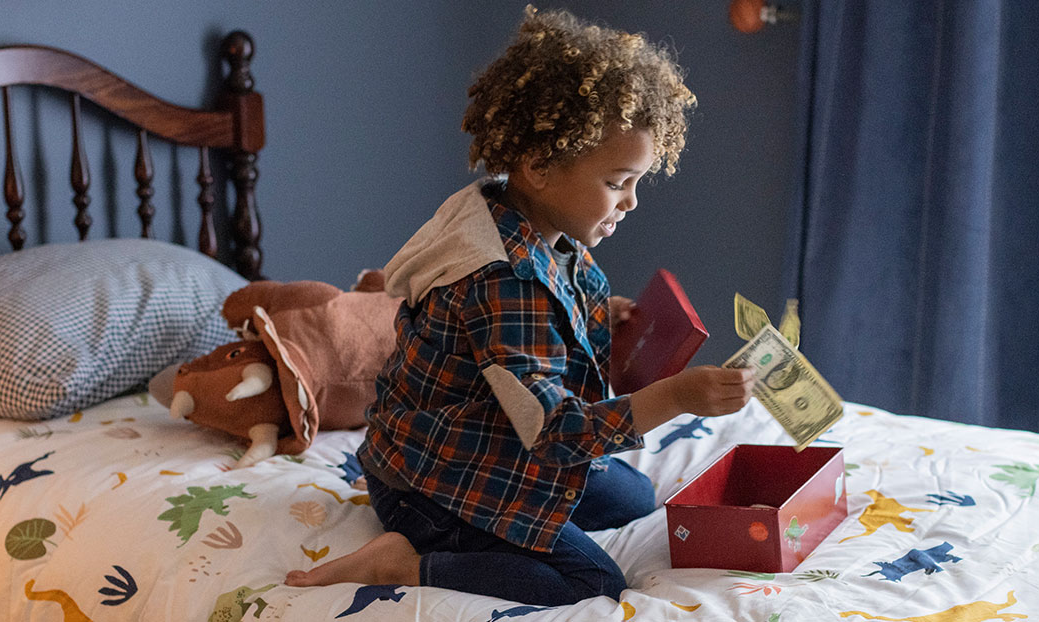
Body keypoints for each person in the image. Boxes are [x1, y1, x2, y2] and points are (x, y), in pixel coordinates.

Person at [284, 6, 754, 606]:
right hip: (430, 483)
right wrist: (675, 396)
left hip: (481, 442)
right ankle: (407, 561)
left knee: (633, 497)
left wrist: (596, 314)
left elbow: (527, 338)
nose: (631, 202)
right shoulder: (503, 280)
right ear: (538, 166)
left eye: (636, 181)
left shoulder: (531, 223)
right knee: (593, 583)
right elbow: (554, 430)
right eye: (617, 182)